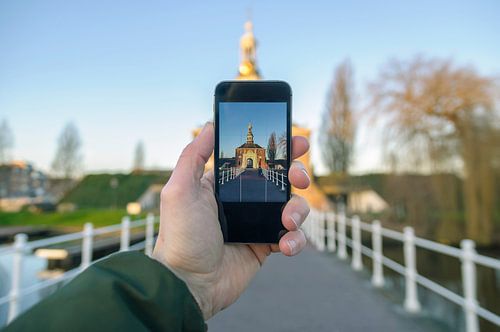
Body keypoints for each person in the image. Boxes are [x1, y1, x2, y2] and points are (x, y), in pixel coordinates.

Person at [4, 122, 311, 331]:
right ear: (248, 152)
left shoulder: (253, 155)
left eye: (251, 155)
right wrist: (184, 278)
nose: (249, 155)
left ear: (253, 154)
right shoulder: (245, 157)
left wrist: (183, 280)